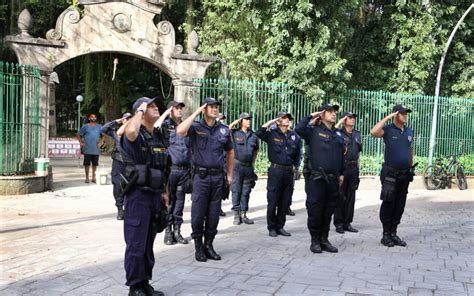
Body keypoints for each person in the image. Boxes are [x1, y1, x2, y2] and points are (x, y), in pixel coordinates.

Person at [121, 97, 169, 296]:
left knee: (148, 244)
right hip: (138, 197)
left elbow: (164, 166)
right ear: (140, 112)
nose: (155, 107)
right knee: (136, 243)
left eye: (155, 104)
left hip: (155, 196)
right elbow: (130, 131)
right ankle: (135, 287)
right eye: (150, 106)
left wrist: (165, 193)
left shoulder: (157, 136)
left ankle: (145, 282)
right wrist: (139, 111)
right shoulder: (135, 135)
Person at [176, 97, 234, 262]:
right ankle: (198, 246)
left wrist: (229, 175)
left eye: (216, 107)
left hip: (217, 177)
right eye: (211, 107)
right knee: (198, 214)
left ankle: (209, 244)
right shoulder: (195, 127)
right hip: (200, 177)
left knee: (214, 214)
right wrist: (196, 112)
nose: (215, 109)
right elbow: (180, 131)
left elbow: (230, 152)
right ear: (204, 109)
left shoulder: (223, 130)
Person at [295, 104, 344, 254]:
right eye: (329, 111)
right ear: (322, 114)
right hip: (317, 179)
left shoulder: (338, 134)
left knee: (328, 211)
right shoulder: (313, 131)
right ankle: (315, 241)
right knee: (315, 211)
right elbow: (299, 128)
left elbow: (341, 155)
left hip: (333, 179)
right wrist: (312, 115)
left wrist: (341, 173)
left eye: (334, 111)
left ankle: (324, 239)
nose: (333, 113)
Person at [370, 104, 415, 247]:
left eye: (406, 113)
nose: (405, 115)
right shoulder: (388, 130)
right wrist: (388, 118)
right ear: (395, 115)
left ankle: (394, 233)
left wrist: (410, 167)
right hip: (390, 174)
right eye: (402, 113)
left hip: (404, 175)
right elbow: (373, 132)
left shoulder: (409, 131)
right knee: (389, 203)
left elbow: (410, 149)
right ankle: (385, 235)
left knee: (400, 205)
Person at [256, 111, 302, 237]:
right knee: (273, 200)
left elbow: (298, 154)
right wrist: (273, 120)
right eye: (284, 118)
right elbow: (259, 131)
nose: (287, 120)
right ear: (278, 121)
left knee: (285, 201)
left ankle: (280, 226)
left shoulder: (294, 136)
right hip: (276, 171)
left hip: (288, 172)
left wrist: (296, 168)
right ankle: (271, 227)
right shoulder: (272, 134)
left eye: (289, 118)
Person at [160, 100, 191, 245]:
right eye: (176, 108)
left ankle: (178, 231)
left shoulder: (185, 126)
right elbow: (155, 128)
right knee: (169, 202)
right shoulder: (165, 126)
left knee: (180, 202)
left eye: (180, 108)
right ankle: (168, 231)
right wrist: (166, 113)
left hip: (184, 171)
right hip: (171, 169)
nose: (179, 110)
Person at [228, 112, 259, 225]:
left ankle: (243, 214)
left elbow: (256, 150)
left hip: (248, 167)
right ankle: (236, 215)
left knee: (246, 192)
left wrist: (252, 163)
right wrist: (236, 121)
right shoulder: (235, 133)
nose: (249, 121)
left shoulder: (253, 135)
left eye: (249, 119)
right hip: (237, 166)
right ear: (241, 121)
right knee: (236, 190)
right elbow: (227, 129)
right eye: (246, 119)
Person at [333, 111, 362, 234]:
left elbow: (358, 153)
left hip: (354, 168)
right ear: (344, 120)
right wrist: (339, 173)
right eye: (349, 118)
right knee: (340, 196)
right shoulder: (338, 133)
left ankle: (347, 222)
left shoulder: (357, 134)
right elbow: (332, 132)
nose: (352, 119)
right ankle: (338, 223)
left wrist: (358, 169)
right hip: (343, 168)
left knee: (351, 196)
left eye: (353, 117)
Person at [101, 113, 132, 220]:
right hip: (118, 161)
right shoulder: (116, 132)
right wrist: (116, 121)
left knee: (132, 185)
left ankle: (130, 208)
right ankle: (120, 208)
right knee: (117, 185)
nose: (127, 120)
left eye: (129, 118)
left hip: (131, 163)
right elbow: (104, 129)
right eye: (125, 119)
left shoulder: (136, 131)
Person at [78, 114, 104, 183]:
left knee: (95, 164)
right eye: (92, 117)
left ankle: (93, 177)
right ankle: (87, 178)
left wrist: (101, 142)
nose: (93, 118)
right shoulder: (85, 127)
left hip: (96, 149)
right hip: (87, 149)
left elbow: (103, 135)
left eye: (94, 117)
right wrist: (81, 142)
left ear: (96, 118)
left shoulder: (99, 127)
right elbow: (78, 135)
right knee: (87, 164)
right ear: (89, 118)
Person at [286, 118, 302, 216]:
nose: (290, 121)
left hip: (290, 167)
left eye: (291, 120)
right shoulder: (276, 133)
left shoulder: (295, 136)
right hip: (279, 167)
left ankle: (287, 206)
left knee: (290, 188)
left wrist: (296, 166)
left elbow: (299, 152)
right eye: (288, 119)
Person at [217, 112, 228, 217]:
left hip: (223, 163)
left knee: (221, 187)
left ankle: (218, 207)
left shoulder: (224, 131)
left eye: (223, 119)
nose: (222, 120)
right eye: (220, 119)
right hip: (214, 163)